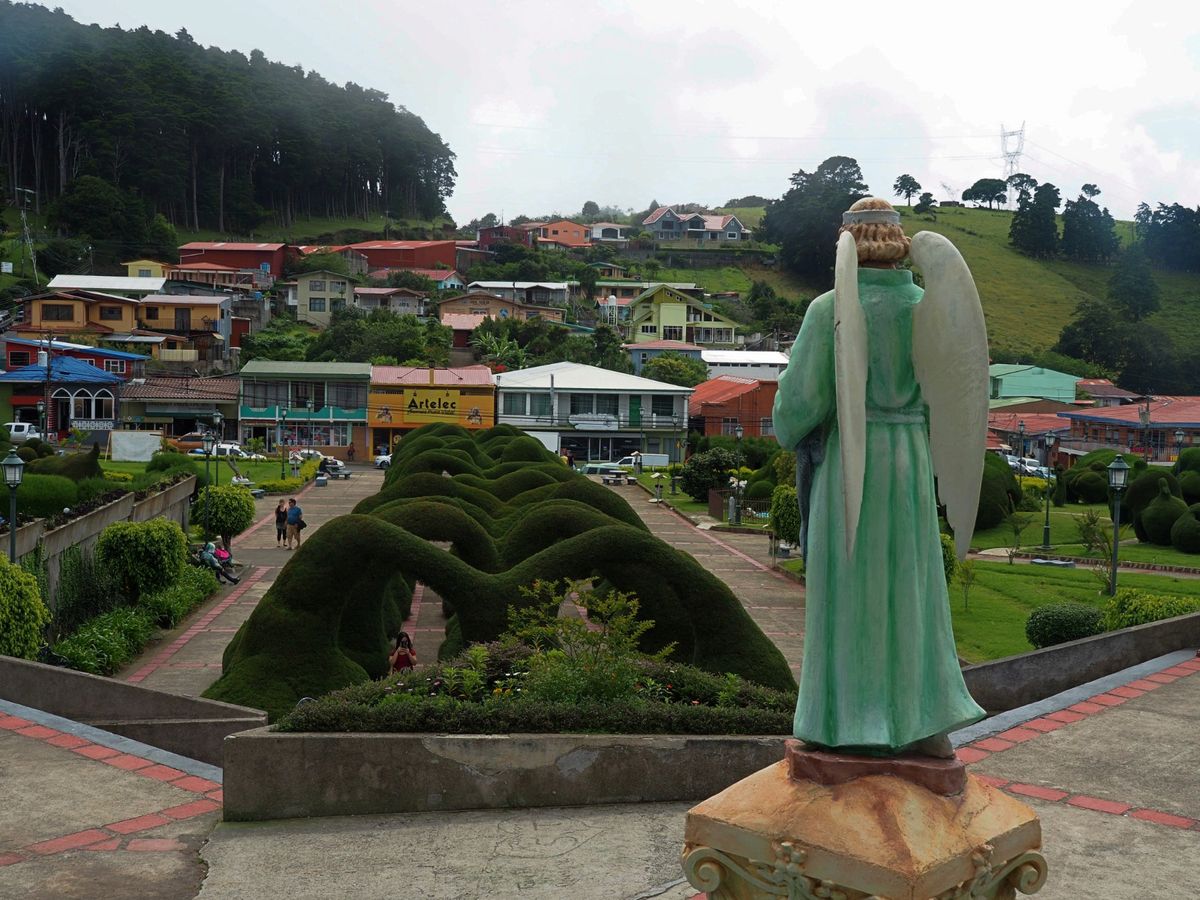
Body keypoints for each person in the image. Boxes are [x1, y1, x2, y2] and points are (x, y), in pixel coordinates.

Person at [773, 197, 986, 758]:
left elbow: (799, 407)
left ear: (847, 244)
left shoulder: (831, 310)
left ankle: (847, 721)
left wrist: (789, 421)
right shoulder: (929, 305)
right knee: (912, 588)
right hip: (911, 460)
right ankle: (926, 722)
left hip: (854, 459)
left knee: (850, 590)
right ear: (899, 246)